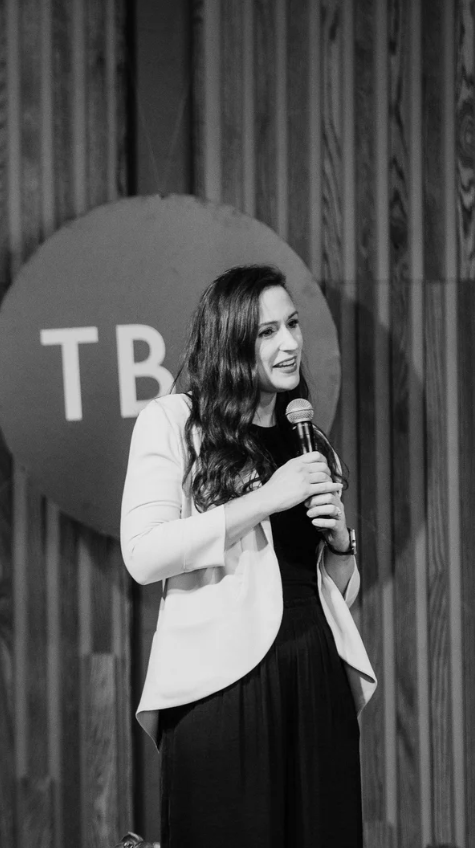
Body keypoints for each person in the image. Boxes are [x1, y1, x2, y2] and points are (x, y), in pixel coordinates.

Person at [120, 265, 376, 848]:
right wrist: (266, 499)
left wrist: (340, 547)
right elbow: (144, 553)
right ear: (230, 340)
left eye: (292, 324)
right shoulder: (174, 422)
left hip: (314, 668)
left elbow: (319, 583)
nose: (289, 344)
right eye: (266, 332)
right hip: (222, 684)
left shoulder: (309, 441)